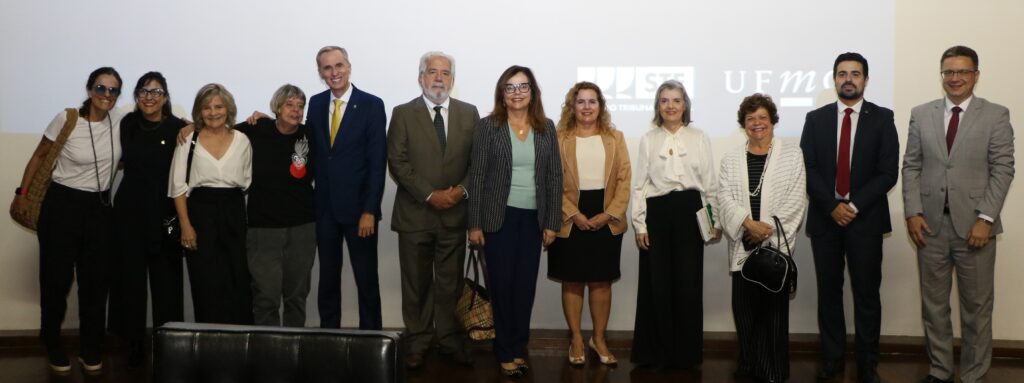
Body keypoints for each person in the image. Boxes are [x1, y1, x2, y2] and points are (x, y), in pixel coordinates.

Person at [902, 45, 1015, 383]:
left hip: (975, 228)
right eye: (949, 72)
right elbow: (911, 166)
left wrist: (986, 218)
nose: (955, 78)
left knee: (977, 309)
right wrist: (913, 212)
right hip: (930, 227)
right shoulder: (921, 113)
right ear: (942, 75)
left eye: (962, 72)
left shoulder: (995, 114)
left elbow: (1003, 168)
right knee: (934, 307)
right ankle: (939, 370)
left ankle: (973, 374)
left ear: (976, 75)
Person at [10, 67, 124, 373]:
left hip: (99, 209)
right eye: (101, 88)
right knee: (55, 282)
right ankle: (52, 344)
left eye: (113, 90)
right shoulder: (68, 118)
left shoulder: (120, 123)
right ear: (89, 90)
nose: (107, 95)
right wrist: (22, 194)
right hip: (61, 206)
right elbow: (39, 156)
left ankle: (91, 348)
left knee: (95, 285)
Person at [799, 53, 898, 383]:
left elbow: (887, 172)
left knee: (867, 295)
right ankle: (832, 359)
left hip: (865, 220)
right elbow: (808, 168)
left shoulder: (883, 118)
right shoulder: (816, 119)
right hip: (826, 219)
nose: (849, 79)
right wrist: (832, 206)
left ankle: (868, 363)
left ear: (866, 80)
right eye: (842, 74)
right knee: (829, 293)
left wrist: (853, 206)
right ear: (834, 79)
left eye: (855, 73)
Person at [466, 65, 562, 377]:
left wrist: (551, 222)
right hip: (499, 219)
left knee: (524, 288)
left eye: (523, 87)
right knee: (502, 287)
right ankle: (504, 349)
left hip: (533, 220)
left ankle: (518, 346)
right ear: (502, 94)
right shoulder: (488, 127)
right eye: (510, 87)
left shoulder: (546, 127)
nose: (517, 93)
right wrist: (475, 224)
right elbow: (477, 177)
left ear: (533, 92)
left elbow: (553, 176)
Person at [387, 51, 479, 369]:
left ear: (452, 80)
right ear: (420, 78)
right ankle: (418, 341)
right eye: (432, 72)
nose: (438, 78)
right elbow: (397, 161)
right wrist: (429, 195)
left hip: (455, 214)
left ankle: (449, 340)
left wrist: (460, 191)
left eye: (445, 73)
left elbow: (476, 162)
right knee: (416, 283)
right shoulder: (402, 113)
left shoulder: (470, 113)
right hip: (415, 214)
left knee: (451, 283)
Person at [630, 79, 720, 369]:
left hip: (689, 211)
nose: (670, 106)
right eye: (664, 100)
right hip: (656, 213)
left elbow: (709, 185)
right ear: (658, 106)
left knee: (688, 283)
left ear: (685, 105)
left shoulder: (699, 137)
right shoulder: (648, 139)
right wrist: (640, 225)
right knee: (656, 285)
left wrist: (713, 219)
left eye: (676, 100)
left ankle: (686, 355)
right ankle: (656, 354)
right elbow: (640, 186)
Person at [718, 93, 807, 383]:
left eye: (762, 118)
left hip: (773, 250)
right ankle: (749, 366)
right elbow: (724, 197)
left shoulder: (792, 154)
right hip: (743, 245)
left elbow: (795, 198)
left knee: (773, 316)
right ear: (743, 123)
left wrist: (764, 228)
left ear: (772, 121)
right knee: (744, 314)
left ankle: (773, 372)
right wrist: (747, 224)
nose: (757, 124)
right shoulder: (731, 158)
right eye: (750, 119)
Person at [548, 81, 630, 367]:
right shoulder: (558, 137)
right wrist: (572, 213)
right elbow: (551, 181)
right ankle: (576, 339)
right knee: (572, 281)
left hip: (606, 217)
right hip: (570, 218)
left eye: (592, 101)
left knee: (601, 281)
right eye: (580, 101)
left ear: (600, 106)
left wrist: (609, 214)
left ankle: (599, 338)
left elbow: (624, 181)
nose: (586, 107)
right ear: (572, 106)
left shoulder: (615, 137)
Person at [107, 71, 186, 367]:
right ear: (136, 96)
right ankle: (134, 343)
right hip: (128, 212)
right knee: (130, 281)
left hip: (165, 213)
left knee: (167, 281)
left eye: (156, 92)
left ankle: (169, 342)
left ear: (165, 97)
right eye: (143, 91)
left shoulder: (180, 127)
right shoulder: (127, 124)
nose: (149, 97)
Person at [308, 46, 387, 330]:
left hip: (359, 213)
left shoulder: (371, 104)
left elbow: (377, 163)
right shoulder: (315, 104)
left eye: (339, 65)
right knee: (327, 280)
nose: (334, 72)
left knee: (366, 280)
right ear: (320, 73)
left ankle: (372, 339)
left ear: (349, 66)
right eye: (327, 68)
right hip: (325, 210)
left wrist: (369, 210)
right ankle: (329, 335)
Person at [169, 83, 253, 325]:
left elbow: (246, 181)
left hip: (234, 212)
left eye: (218, 106)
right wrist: (186, 226)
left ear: (229, 109)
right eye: (206, 108)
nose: (213, 112)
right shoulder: (188, 139)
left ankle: (239, 345)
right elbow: (178, 187)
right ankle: (207, 345)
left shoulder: (242, 140)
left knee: (237, 280)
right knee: (205, 283)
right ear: (199, 111)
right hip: (199, 214)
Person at [237, 84, 316, 327]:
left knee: (296, 297)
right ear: (277, 107)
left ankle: (294, 351)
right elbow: (218, 129)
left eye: (300, 106)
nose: (296, 110)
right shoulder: (257, 128)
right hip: (263, 229)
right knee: (266, 297)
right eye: (290, 105)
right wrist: (188, 126)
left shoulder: (310, 133)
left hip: (302, 228)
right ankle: (266, 355)